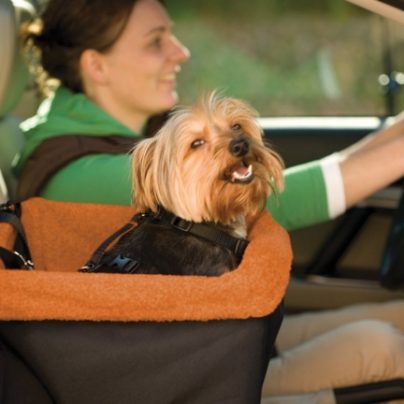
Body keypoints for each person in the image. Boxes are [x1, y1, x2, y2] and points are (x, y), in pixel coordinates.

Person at [11, 0, 404, 399]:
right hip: (189, 368)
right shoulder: (82, 173)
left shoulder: (132, 132)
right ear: (96, 66)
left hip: (219, 333)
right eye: (156, 41)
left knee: (396, 317)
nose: (180, 52)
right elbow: (270, 199)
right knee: (382, 345)